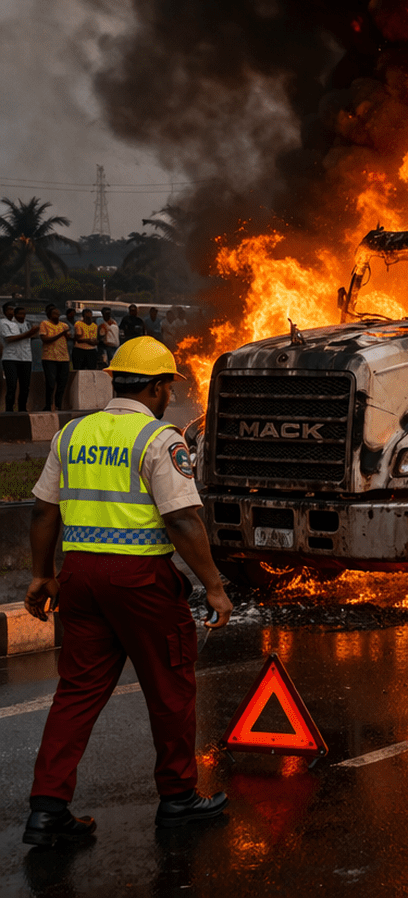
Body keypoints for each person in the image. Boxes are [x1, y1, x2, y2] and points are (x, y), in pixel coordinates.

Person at [20, 336, 232, 847]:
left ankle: (48, 810)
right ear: (159, 387)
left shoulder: (72, 433)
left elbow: (43, 510)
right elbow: (183, 519)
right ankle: (178, 799)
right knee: (171, 687)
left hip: (80, 579)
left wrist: (41, 574)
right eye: (167, 387)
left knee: (75, 694)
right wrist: (215, 587)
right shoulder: (159, 439)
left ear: (115, 380)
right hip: (141, 583)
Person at [2, 303, 37, 412]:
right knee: (12, 386)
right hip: (10, 358)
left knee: (25, 387)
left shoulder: (27, 324)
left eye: (24, 313)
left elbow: (33, 336)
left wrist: (31, 333)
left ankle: (22, 410)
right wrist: (28, 334)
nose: (11, 312)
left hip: (26, 358)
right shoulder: (4, 323)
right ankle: (9, 410)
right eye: (10, 310)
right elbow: (9, 339)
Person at [36, 305, 70, 412]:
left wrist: (67, 334)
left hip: (63, 357)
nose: (57, 316)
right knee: (50, 383)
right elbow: (45, 339)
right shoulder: (44, 324)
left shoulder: (64, 325)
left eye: (58, 314)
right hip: (49, 357)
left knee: (62, 383)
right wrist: (61, 334)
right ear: (49, 315)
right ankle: (48, 404)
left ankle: (58, 405)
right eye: (55, 314)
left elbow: (69, 337)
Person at [71, 308, 101, 372]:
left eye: (90, 317)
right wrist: (89, 341)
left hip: (92, 350)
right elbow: (78, 339)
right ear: (83, 317)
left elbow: (96, 339)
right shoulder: (79, 324)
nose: (89, 319)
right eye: (87, 317)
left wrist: (93, 342)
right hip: (80, 349)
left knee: (92, 370)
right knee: (78, 370)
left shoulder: (95, 326)